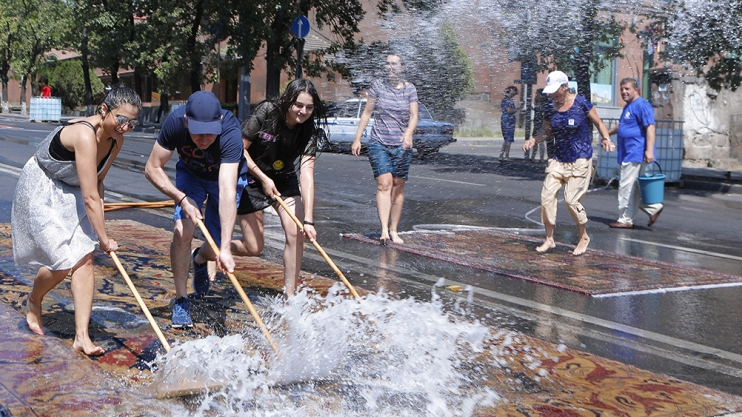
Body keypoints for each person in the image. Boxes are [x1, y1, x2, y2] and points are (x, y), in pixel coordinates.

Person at [12, 86, 141, 356]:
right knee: (62, 260)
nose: (125, 127)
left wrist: (98, 232)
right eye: (121, 119)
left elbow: (98, 184)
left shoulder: (117, 141)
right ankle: (34, 300)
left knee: (84, 255)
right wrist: (105, 239)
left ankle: (81, 337)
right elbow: (90, 197)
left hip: (73, 189)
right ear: (104, 110)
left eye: (132, 122)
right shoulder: (84, 134)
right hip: (42, 186)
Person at [144, 91, 248, 328]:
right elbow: (152, 167)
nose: (203, 139)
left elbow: (227, 191)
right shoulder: (175, 122)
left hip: (224, 179)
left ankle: (200, 260)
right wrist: (182, 199)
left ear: (219, 122)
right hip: (191, 175)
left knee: (214, 244)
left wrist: (224, 248)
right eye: (198, 132)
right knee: (183, 230)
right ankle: (181, 299)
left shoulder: (231, 133)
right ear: (187, 122)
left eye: (210, 133)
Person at [237, 79, 326, 298]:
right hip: (251, 178)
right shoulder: (268, 111)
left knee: (296, 233)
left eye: (309, 107)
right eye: (298, 105)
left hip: (283, 179)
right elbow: (240, 149)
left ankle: (290, 296)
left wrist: (309, 220)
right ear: (288, 100)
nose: (303, 111)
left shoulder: (309, 130)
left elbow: (306, 173)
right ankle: (207, 252)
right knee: (253, 247)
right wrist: (262, 178)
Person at [523, 71, 613, 256]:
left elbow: (599, 123)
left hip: (580, 158)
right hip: (558, 159)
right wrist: (534, 140)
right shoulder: (550, 108)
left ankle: (583, 236)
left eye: (555, 90)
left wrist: (606, 138)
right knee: (546, 196)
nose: (552, 94)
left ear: (565, 86)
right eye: (550, 91)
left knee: (571, 200)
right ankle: (549, 239)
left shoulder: (581, 103)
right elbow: (547, 132)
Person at [351, 53, 419, 245]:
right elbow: (367, 113)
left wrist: (408, 133)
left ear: (402, 67)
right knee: (384, 184)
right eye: (387, 64)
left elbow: (414, 115)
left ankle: (394, 229)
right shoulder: (378, 86)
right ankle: (383, 230)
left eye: (394, 64)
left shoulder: (410, 89)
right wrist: (357, 139)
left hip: (401, 145)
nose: (390, 68)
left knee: (397, 186)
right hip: (378, 142)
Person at [606, 78, 663, 229]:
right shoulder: (628, 106)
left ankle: (625, 219)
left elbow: (650, 127)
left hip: (635, 152)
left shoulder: (642, 105)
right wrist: (606, 133)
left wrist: (649, 150)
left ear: (636, 90)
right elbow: (622, 126)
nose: (624, 92)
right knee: (635, 188)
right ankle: (654, 209)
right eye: (622, 89)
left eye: (627, 89)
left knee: (626, 186)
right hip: (628, 152)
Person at [528, 88, 548, 163]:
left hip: (541, 123)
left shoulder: (544, 104)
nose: (536, 95)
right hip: (536, 123)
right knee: (535, 140)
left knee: (540, 141)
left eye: (538, 94)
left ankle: (541, 158)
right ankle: (533, 156)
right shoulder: (537, 104)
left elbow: (543, 114)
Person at [499, 86, 518, 161]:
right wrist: (519, 108)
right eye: (512, 91)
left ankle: (502, 155)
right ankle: (506, 156)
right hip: (507, 120)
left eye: (514, 91)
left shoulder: (510, 100)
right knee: (508, 138)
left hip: (510, 120)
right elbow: (509, 110)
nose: (513, 92)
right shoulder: (507, 100)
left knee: (507, 139)